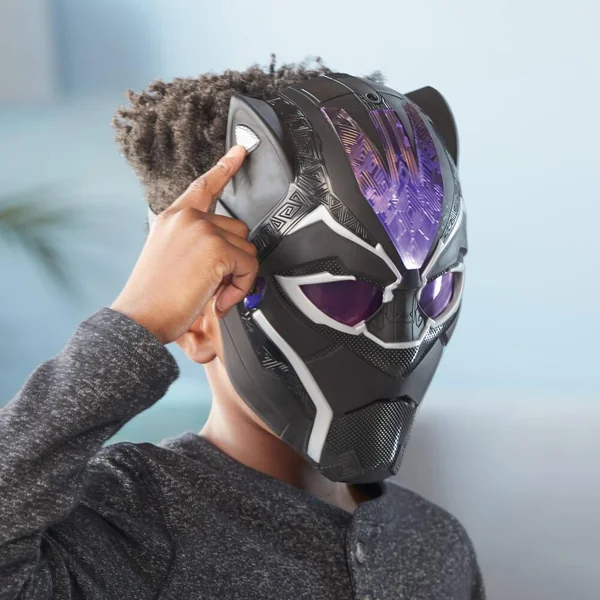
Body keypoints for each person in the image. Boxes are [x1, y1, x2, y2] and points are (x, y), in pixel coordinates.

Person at [0, 57, 484, 599]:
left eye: (437, 292)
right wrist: (136, 322)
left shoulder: (433, 543)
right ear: (197, 321)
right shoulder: (130, 528)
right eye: (342, 295)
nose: (403, 338)